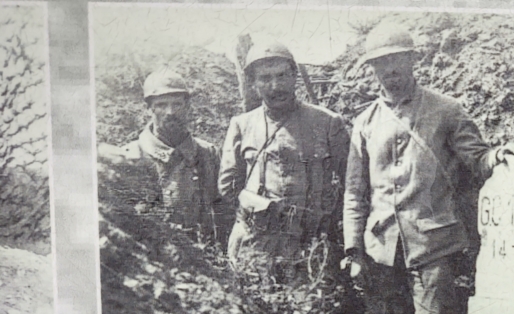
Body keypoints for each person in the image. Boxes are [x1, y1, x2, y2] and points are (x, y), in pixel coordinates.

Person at [342, 22, 514, 314]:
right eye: (380, 64)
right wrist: (354, 248)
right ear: (371, 70)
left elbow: (476, 157)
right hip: (381, 244)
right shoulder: (365, 123)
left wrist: (500, 154)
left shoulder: (445, 110)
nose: (390, 71)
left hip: (433, 239)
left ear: (412, 60)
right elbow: (355, 192)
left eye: (396, 61)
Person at [219, 40, 349, 280]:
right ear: (253, 83)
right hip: (256, 246)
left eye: (282, 76)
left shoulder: (327, 123)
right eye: (265, 78)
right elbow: (228, 187)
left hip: (309, 245)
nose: (275, 86)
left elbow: (350, 183)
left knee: (312, 312)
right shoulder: (241, 125)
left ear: (295, 77)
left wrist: (326, 218)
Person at [98, 69, 228, 244]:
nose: (170, 112)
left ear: (188, 106)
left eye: (177, 104)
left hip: (206, 255)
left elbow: (223, 209)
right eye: (161, 105)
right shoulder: (130, 157)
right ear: (149, 109)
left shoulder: (207, 153)